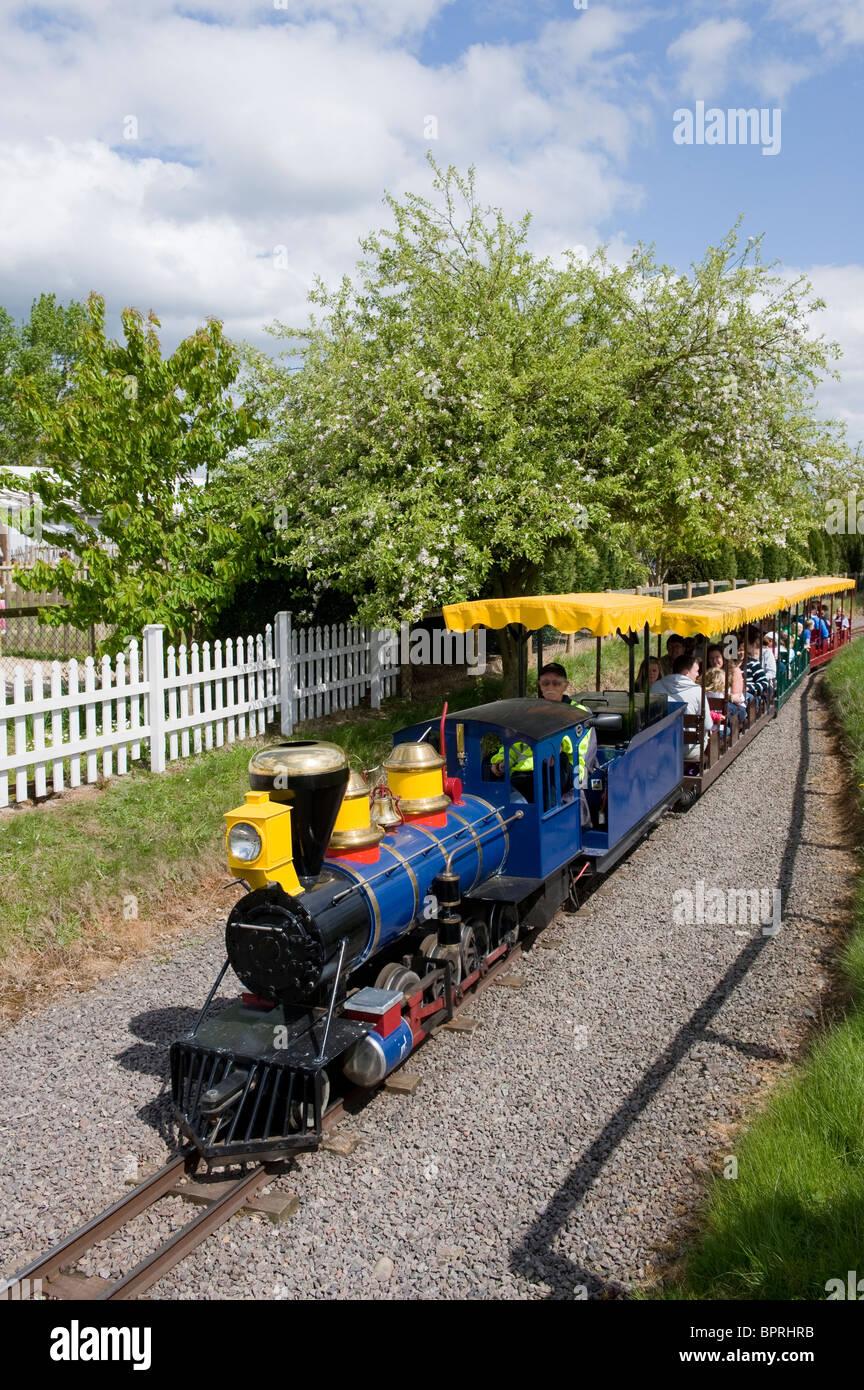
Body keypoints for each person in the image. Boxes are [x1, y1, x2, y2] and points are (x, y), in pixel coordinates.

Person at [651, 652, 710, 760]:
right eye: (696, 671)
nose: (698, 674)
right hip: (686, 750)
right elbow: (707, 725)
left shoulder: (655, 687)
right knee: (707, 733)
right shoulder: (697, 691)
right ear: (686, 672)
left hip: (659, 747)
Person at [744, 628, 771, 700]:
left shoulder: (754, 662)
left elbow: (770, 674)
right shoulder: (733, 664)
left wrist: (749, 687)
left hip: (751, 689)